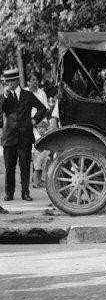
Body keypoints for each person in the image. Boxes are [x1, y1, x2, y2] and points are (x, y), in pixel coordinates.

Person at [0, 68, 47, 201]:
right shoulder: (5, 96)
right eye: (6, 82)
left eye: (10, 81)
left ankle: (25, 193)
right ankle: (9, 193)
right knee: (9, 167)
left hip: (25, 137)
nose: (8, 84)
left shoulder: (27, 95)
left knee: (25, 167)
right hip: (9, 137)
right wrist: (4, 96)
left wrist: (34, 120)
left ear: (16, 81)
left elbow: (42, 108)